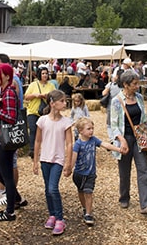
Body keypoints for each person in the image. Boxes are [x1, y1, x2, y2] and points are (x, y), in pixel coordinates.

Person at [110, 70, 147, 215]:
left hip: (139, 138)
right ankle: (124, 196)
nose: (137, 86)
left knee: (143, 169)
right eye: (135, 84)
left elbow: (143, 119)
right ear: (125, 84)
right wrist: (122, 140)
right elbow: (114, 125)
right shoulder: (116, 101)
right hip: (125, 138)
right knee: (124, 171)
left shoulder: (140, 98)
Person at [0, 53, 25, 206]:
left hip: (9, 129)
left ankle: (11, 196)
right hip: (3, 128)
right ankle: (7, 192)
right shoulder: (2, 84)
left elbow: (11, 112)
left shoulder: (12, 83)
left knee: (9, 164)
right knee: (1, 165)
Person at [32, 89, 73, 236]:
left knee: (52, 188)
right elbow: (37, 140)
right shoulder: (42, 120)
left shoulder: (66, 122)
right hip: (45, 158)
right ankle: (52, 214)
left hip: (58, 159)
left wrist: (68, 163)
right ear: (52, 103)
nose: (64, 103)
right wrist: (35, 160)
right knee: (47, 189)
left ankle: (60, 218)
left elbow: (69, 144)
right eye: (61, 101)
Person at [70, 117, 123, 226]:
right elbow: (73, 157)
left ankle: (89, 214)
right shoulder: (78, 144)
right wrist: (68, 169)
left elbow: (105, 145)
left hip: (90, 174)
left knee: (88, 192)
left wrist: (118, 149)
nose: (91, 131)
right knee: (81, 191)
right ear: (81, 131)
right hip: (79, 173)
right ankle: (85, 208)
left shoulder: (94, 140)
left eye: (92, 128)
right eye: (88, 129)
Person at [24, 67, 56, 158]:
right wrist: (35, 95)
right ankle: (32, 150)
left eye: (46, 73)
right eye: (43, 73)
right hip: (33, 111)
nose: (45, 75)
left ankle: (46, 150)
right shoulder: (33, 84)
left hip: (46, 112)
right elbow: (26, 97)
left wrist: (48, 97)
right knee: (33, 129)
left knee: (46, 132)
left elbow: (56, 97)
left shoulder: (51, 86)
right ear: (39, 75)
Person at [102, 69, 123, 136]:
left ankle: (112, 137)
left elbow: (104, 93)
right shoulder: (125, 86)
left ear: (116, 76)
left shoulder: (111, 84)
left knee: (109, 124)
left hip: (111, 107)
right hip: (122, 107)